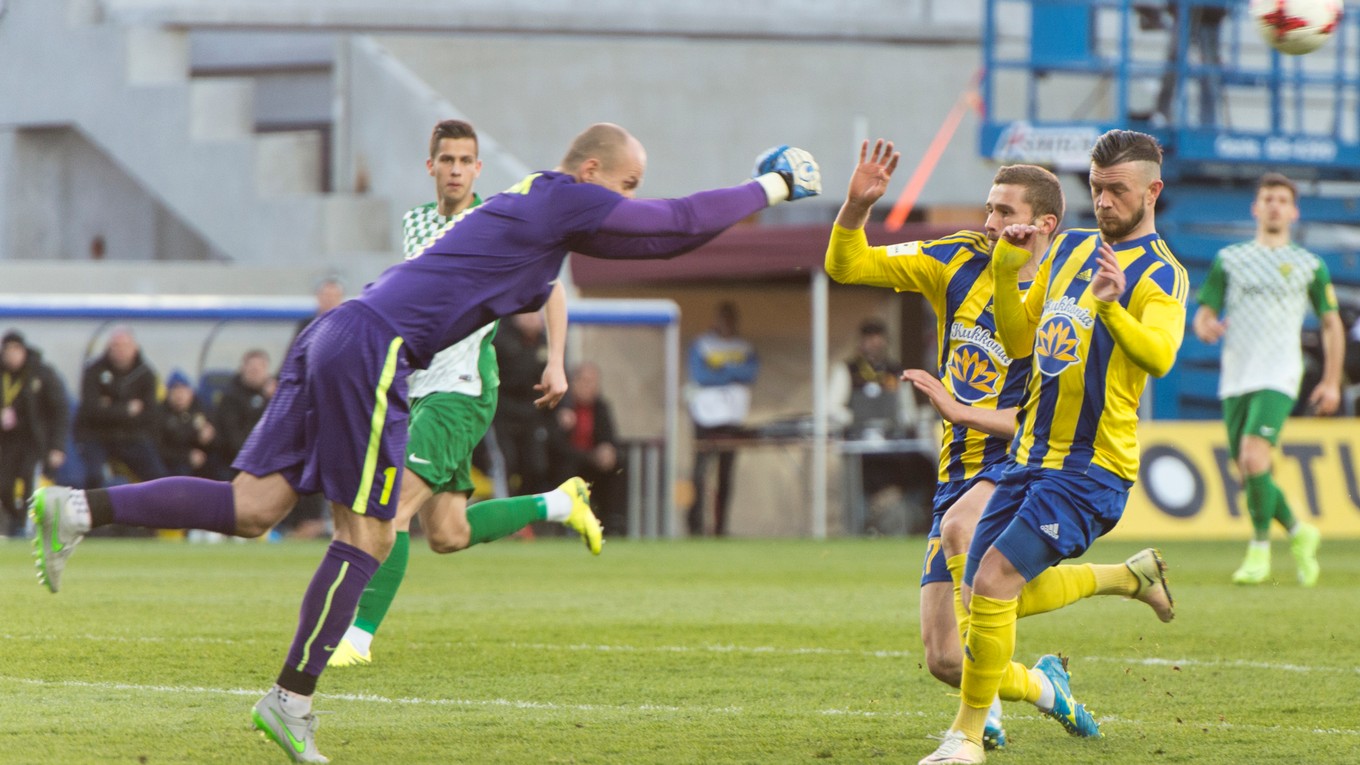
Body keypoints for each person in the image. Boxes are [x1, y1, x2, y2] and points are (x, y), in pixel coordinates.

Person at [30, 123, 821, 763]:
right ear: (588, 169)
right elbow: (675, 224)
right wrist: (774, 185)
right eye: (626, 183)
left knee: (253, 505)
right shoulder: (558, 199)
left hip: (338, 334)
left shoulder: (542, 213)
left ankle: (73, 510)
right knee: (369, 534)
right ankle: (289, 702)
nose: (630, 200)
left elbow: (657, 241)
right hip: (375, 347)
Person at [828, 141, 1172, 756]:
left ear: (1044, 223)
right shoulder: (960, 260)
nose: (991, 223)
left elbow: (1047, 403)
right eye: (988, 209)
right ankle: (1049, 681)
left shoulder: (1096, 267)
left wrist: (968, 412)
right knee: (945, 656)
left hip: (1023, 460)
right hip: (957, 467)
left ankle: (969, 733)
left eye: (1004, 211)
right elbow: (848, 266)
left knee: (974, 550)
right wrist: (856, 208)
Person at [918, 129, 1188, 765]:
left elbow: (1162, 357)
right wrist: (1011, 272)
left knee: (989, 582)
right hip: (1030, 460)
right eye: (1095, 190)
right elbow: (1017, 339)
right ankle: (1129, 577)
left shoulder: (1162, 273)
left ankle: (965, 738)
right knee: (987, 594)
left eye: (1117, 191)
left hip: (1091, 469)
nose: (1103, 203)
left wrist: (1115, 308)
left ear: (1152, 191)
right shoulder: (1068, 250)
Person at [328, 118, 579, 669]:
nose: (457, 170)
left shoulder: (496, 224)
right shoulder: (414, 222)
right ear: (432, 167)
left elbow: (551, 288)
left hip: (460, 393)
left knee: (388, 511)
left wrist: (556, 362)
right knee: (447, 532)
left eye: (467, 161)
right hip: (417, 393)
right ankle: (560, 502)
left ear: (478, 169)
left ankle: (359, 637)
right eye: (448, 160)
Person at [1191, 172, 1340, 587]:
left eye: (1282, 200)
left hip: (1280, 372)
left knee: (1255, 457)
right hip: (1237, 376)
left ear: (1294, 211)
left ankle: (1259, 551)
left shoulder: (1311, 265)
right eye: (1267, 199)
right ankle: (1299, 531)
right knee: (1248, 467)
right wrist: (1204, 326)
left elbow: (1331, 324)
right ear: (1256, 208)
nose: (1274, 205)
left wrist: (1330, 380)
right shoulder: (1231, 259)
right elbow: (1205, 312)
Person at [685, 301, 758, 536]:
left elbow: (750, 373)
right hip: (706, 417)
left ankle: (720, 527)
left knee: (725, 476)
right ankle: (694, 525)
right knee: (700, 474)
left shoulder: (743, 346)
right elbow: (701, 375)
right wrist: (731, 372)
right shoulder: (703, 344)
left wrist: (721, 371)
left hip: (733, 418)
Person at [72, 326, 167, 489]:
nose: (119, 350)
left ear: (134, 348)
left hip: (132, 437)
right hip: (97, 436)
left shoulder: (146, 374)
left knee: (158, 476)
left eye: (124, 346)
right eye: (115, 346)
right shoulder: (94, 371)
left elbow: (150, 414)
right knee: (93, 476)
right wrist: (127, 410)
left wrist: (109, 407)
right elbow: (91, 411)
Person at [0, 330, 68, 537]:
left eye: (15, 350)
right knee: (4, 486)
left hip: (36, 442)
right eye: (7, 351)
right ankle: (18, 521)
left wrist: (57, 446)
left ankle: (28, 531)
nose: (12, 356)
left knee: (31, 484)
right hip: (8, 442)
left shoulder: (42, 374)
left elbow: (59, 411)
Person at [492, 311, 562, 496]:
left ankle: (526, 516)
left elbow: (559, 378)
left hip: (533, 414)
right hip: (502, 413)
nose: (533, 318)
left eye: (536, 314)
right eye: (528, 314)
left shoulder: (545, 345)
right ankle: (504, 512)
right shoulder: (501, 339)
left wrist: (563, 408)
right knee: (506, 462)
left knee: (536, 465)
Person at [550, 361, 623, 532]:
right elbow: (556, 445)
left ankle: (613, 522)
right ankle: (563, 526)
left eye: (592, 382)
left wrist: (608, 451)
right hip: (569, 462)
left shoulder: (601, 408)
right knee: (567, 470)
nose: (588, 386)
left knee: (618, 466)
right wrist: (590, 456)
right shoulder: (562, 407)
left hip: (594, 463)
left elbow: (609, 437)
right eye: (583, 381)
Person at [156, 369, 218, 479]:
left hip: (205, 460)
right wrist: (187, 456)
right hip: (176, 464)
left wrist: (211, 437)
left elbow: (221, 439)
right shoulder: (160, 414)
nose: (179, 396)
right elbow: (159, 449)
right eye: (175, 391)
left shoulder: (203, 408)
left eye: (183, 390)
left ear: (191, 392)